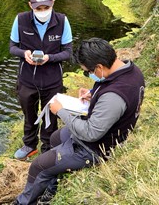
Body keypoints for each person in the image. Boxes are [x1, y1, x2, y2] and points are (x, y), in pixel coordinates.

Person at [12, 38, 145, 204]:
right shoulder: (130, 70)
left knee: (38, 167)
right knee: (55, 138)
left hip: (96, 148)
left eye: (87, 71)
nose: (88, 74)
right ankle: (53, 183)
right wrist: (93, 94)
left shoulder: (114, 97)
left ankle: (24, 202)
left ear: (99, 67)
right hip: (106, 130)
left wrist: (61, 111)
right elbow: (110, 96)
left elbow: (90, 133)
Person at [9, 0, 73, 159]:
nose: (43, 11)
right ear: (31, 5)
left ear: (53, 3)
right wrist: (24, 54)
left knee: (50, 117)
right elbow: (12, 47)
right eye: (38, 8)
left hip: (53, 80)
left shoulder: (62, 21)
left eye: (46, 7)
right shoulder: (21, 20)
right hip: (27, 79)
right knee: (29, 114)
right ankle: (29, 145)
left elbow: (68, 52)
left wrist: (49, 58)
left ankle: (47, 147)